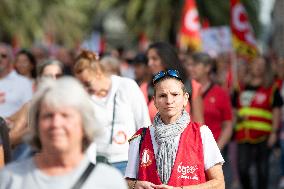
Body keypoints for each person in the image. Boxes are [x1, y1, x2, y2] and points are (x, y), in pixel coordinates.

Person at [0, 77, 127, 189]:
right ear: (36, 125)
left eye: (65, 116)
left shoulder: (108, 181)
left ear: (84, 124)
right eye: (48, 116)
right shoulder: (10, 179)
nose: (56, 123)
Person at [125, 69, 225, 189]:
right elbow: (127, 183)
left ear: (185, 99)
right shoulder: (140, 137)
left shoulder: (202, 133)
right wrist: (135, 185)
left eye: (175, 94)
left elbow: (219, 184)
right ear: (155, 101)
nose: (169, 101)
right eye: (162, 96)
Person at [73, 50, 151, 174]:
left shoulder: (127, 86)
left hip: (127, 162)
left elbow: (144, 124)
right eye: (81, 84)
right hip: (97, 164)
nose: (85, 89)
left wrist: (145, 162)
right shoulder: (85, 97)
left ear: (98, 73)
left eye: (87, 83)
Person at [232, 56, 283, 189]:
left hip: (264, 135)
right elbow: (233, 107)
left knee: (262, 170)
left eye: (262, 65)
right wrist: (234, 118)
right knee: (242, 169)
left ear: (266, 69)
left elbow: (276, 110)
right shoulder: (240, 86)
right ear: (251, 66)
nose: (258, 67)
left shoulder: (272, 88)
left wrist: (274, 133)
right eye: (256, 63)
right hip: (243, 133)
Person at [7, 58, 64, 161]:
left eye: (58, 76)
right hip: (31, 165)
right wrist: (33, 129)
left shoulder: (72, 106)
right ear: (40, 80)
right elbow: (10, 139)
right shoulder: (31, 106)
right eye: (48, 77)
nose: (54, 80)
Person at [141, 42, 204, 123]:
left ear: (167, 59)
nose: (149, 63)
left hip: (187, 135)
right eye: (148, 59)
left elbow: (199, 123)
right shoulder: (145, 88)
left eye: (154, 59)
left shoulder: (191, 86)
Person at [0, 43, 33, 118]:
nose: (0, 59)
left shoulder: (23, 82)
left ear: (11, 60)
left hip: (11, 127)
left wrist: (7, 120)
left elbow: (29, 109)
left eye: (3, 56)